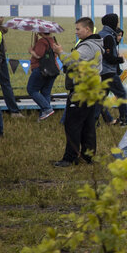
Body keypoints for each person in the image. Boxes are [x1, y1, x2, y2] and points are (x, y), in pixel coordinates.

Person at [51, 17, 104, 167]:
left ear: (87, 29)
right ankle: (88, 156)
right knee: (88, 125)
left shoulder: (87, 46)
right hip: (91, 90)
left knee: (72, 124)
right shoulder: (93, 44)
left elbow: (71, 61)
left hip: (81, 91)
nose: (76, 32)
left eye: (78, 29)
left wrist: (60, 52)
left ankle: (70, 158)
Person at [98, 14, 127, 125]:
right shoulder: (108, 36)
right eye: (116, 22)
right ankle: (125, 120)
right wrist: (119, 60)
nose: (117, 24)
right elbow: (107, 57)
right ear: (112, 23)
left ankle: (97, 120)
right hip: (108, 72)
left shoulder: (100, 35)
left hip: (100, 72)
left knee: (100, 99)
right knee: (121, 94)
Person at [27, 31, 58, 121]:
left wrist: (31, 51)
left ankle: (47, 109)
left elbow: (38, 55)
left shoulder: (42, 41)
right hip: (53, 69)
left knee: (32, 89)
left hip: (41, 69)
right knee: (46, 92)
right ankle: (44, 116)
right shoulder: (52, 40)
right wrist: (36, 40)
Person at [0, 19, 22, 118]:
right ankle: (14, 111)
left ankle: (14, 111)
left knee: (6, 83)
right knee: (6, 84)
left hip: (1, 56)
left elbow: (5, 29)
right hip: (1, 56)